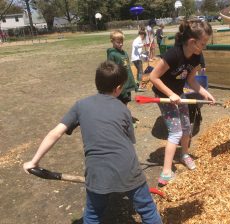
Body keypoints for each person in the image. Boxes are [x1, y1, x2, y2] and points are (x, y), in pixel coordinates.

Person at [23, 61, 162, 224]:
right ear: (118, 88)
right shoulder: (123, 109)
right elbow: (129, 141)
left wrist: (33, 162)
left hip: (97, 174)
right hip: (129, 169)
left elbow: (55, 133)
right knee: (147, 210)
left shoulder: (80, 105)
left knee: (92, 216)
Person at [150, 20, 216, 187]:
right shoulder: (173, 54)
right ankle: (165, 172)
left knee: (187, 126)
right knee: (176, 132)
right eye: (203, 43)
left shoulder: (197, 56)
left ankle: (184, 154)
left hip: (179, 95)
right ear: (192, 42)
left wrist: (205, 93)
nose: (205, 46)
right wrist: (170, 94)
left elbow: (191, 80)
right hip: (165, 96)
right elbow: (153, 77)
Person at [107, 30, 137, 104]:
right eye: (118, 42)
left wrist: (133, 82)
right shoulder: (112, 54)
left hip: (127, 84)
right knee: (120, 104)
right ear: (112, 41)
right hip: (120, 86)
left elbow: (128, 69)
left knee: (125, 103)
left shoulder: (124, 53)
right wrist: (118, 86)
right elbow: (111, 72)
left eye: (122, 42)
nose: (121, 44)